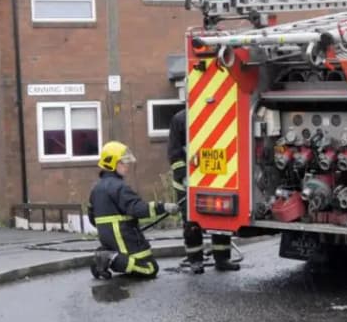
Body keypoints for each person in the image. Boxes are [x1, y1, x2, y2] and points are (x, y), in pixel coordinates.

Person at [89, 141, 180, 280]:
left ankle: (102, 260)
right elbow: (137, 209)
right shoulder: (119, 187)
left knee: (139, 261)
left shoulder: (95, 189)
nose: (127, 166)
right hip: (125, 238)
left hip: (111, 240)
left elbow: (92, 217)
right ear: (113, 164)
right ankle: (110, 257)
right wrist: (164, 207)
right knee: (150, 268)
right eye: (124, 162)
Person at [167, 108, 241, 274]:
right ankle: (195, 261)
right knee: (191, 223)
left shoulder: (218, 114)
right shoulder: (180, 119)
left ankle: (222, 259)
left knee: (220, 221)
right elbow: (174, 152)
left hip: (216, 177)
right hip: (187, 182)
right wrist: (183, 175)